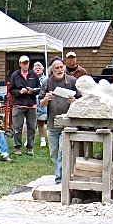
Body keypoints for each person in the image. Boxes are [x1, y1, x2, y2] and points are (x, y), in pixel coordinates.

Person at [38, 57, 78, 185]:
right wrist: (46, 99)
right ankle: (61, 174)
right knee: (54, 154)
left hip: (68, 123)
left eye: (61, 67)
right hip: (52, 123)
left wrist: (75, 102)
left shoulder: (72, 81)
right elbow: (41, 103)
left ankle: (60, 179)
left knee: (63, 151)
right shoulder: (47, 83)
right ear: (52, 70)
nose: (60, 70)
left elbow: (83, 102)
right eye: (57, 68)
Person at [9, 55, 40, 156]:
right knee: (17, 127)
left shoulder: (34, 75)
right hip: (19, 104)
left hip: (31, 104)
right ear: (20, 64)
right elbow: (11, 90)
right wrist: (20, 92)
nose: (25, 65)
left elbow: (39, 89)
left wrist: (32, 91)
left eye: (27, 63)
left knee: (32, 127)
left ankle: (30, 147)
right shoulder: (15, 75)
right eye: (23, 63)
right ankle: (17, 147)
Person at [33, 61, 48, 147]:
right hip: (32, 103)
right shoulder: (31, 78)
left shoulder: (46, 79)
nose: (38, 69)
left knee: (41, 123)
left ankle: (43, 139)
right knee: (31, 123)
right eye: (36, 68)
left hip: (42, 104)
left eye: (39, 68)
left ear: (43, 69)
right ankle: (30, 139)